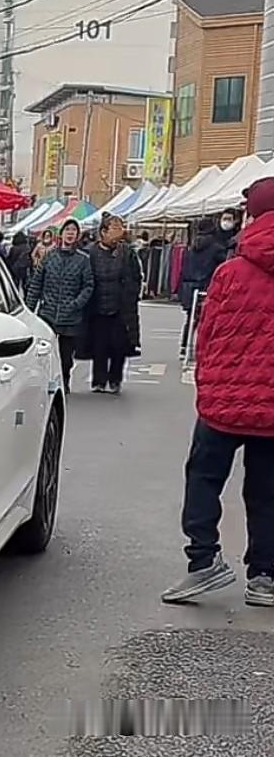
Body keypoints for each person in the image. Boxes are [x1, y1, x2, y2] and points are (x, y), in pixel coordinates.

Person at [161, 177, 274, 607]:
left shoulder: (229, 272)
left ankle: (204, 561)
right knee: (267, 491)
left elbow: (205, 335)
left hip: (223, 402)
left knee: (204, 478)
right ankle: (264, 576)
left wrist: (208, 380)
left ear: (252, 218)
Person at [24, 219, 94, 394]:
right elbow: (36, 284)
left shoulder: (83, 260)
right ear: (61, 234)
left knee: (66, 355)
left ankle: (64, 381)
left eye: (73, 231)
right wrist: (28, 310)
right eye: (67, 230)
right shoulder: (50, 257)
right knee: (44, 352)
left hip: (71, 316)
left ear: (77, 236)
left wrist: (76, 303)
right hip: (47, 313)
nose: (70, 233)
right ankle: (44, 381)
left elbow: (88, 286)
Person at [85, 213, 142, 394]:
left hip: (121, 306)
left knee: (120, 344)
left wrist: (131, 295)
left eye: (121, 227)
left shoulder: (127, 252)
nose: (120, 231)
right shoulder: (90, 252)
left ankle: (115, 379)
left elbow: (136, 276)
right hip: (97, 306)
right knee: (99, 345)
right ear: (103, 232)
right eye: (115, 228)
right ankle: (99, 380)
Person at [176, 217, 226, 360]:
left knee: (191, 319)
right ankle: (202, 348)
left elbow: (184, 269)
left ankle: (184, 347)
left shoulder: (191, 246)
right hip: (206, 285)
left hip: (189, 286)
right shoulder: (216, 247)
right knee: (207, 319)